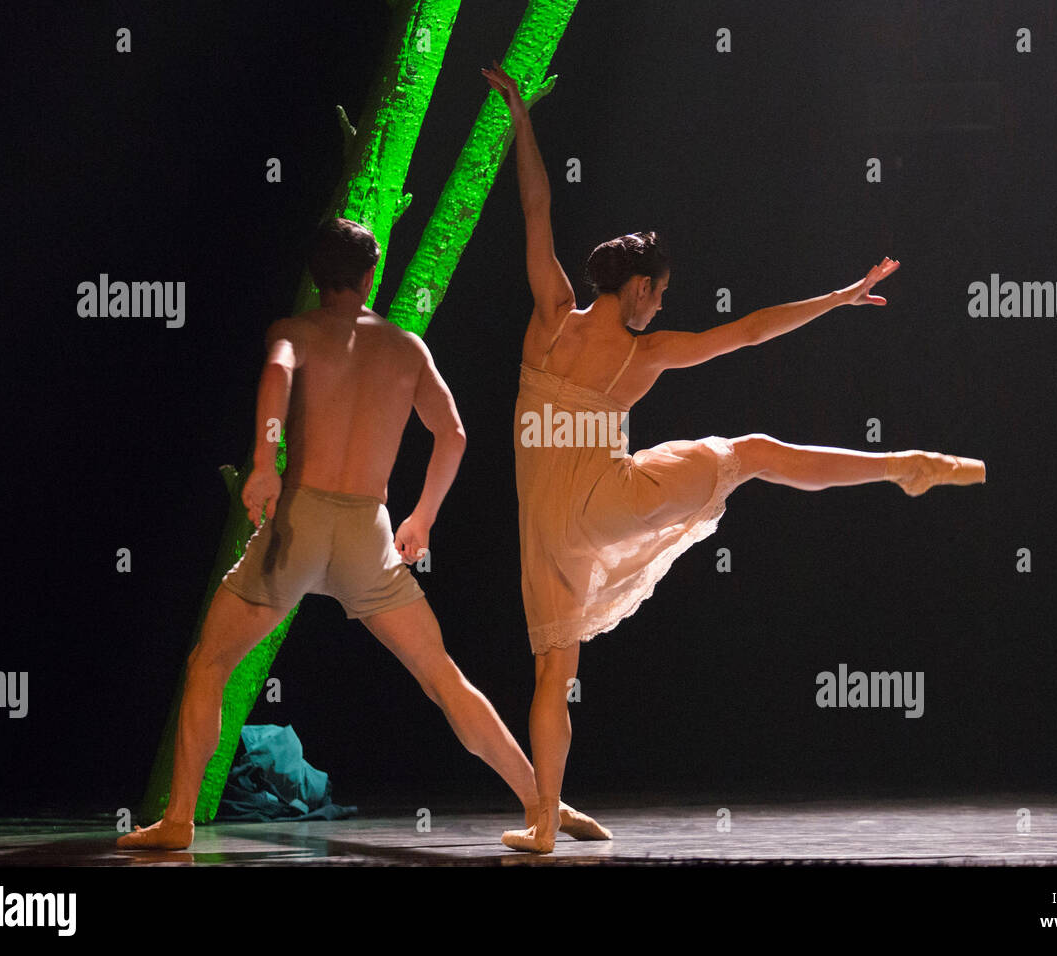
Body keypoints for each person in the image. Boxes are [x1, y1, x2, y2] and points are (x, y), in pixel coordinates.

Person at [481, 62, 986, 853]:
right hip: (601, 504)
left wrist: (520, 116)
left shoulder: (550, 314)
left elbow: (536, 205)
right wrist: (838, 298)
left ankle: (544, 819)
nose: (662, 305)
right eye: (662, 292)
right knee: (750, 453)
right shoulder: (643, 355)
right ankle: (896, 465)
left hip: (540, 527)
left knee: (553, 674)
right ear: (640, 286)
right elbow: (748, 331)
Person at [119, 218, 608, 850]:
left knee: (208, 664)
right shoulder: (405, 348)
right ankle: (546, 803)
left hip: (298, 525)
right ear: (370, 273)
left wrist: (267, 462)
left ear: (316, 277)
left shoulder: (293, 332)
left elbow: (275, 376)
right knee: (444, 678)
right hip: (367, 535)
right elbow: (454, 433)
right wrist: (423, 515)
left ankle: (181, 820)